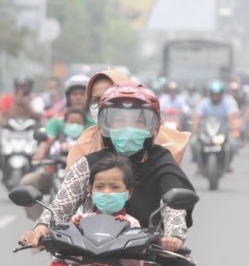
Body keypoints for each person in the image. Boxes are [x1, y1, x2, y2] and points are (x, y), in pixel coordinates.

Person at [19, 81, 196, 266]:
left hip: (148, 252)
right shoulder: (89, 163)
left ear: (153, 126)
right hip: (90, 250)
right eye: (119, 120)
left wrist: (173, 236)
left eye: (137, 120)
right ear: (105, 124)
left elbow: (173, 205)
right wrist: (41, 228)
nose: (127, 127)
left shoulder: (161, 161)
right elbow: (62, 204)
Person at [66, 70, 192, 168]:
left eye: (108, 98)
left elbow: (171, 182)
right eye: (96, 100)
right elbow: (71, 186)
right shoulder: (85, 144)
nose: (101, 105)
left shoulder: (158, 145)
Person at [20, 107, 87, 220]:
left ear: (84, 125)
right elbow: (45, 155)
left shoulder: (88, 142)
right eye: (71, 122)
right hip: (57, 176)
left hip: (84, 178)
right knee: (28, 181)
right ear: (64, 125)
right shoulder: (57, 141)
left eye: (78, 123)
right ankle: (39, 223)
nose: (74, 125)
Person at [0, 76, 44, 172]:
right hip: (12, 131)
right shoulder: (8, 99)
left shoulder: (35, 100)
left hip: (30, 131)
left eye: (24, 87)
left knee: (42, 141)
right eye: (19, 86)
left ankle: (39, 165)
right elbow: (0, 116)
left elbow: (38, 116)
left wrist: (25, 104)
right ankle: (2, 166)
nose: (21, 89)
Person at [191, 80, 240, 172]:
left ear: (222, 94)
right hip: (206, 132)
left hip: (222, 132)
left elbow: (231, 118)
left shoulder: (227, 103)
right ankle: (199, 164)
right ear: (210, 94)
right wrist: (195, 128)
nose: (215, 96)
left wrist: (234, 128)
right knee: (193, 144)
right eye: (214, 94)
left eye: (218, 94)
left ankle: (227, 163)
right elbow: (197, 117)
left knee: (233, 145)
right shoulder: (204, 103)